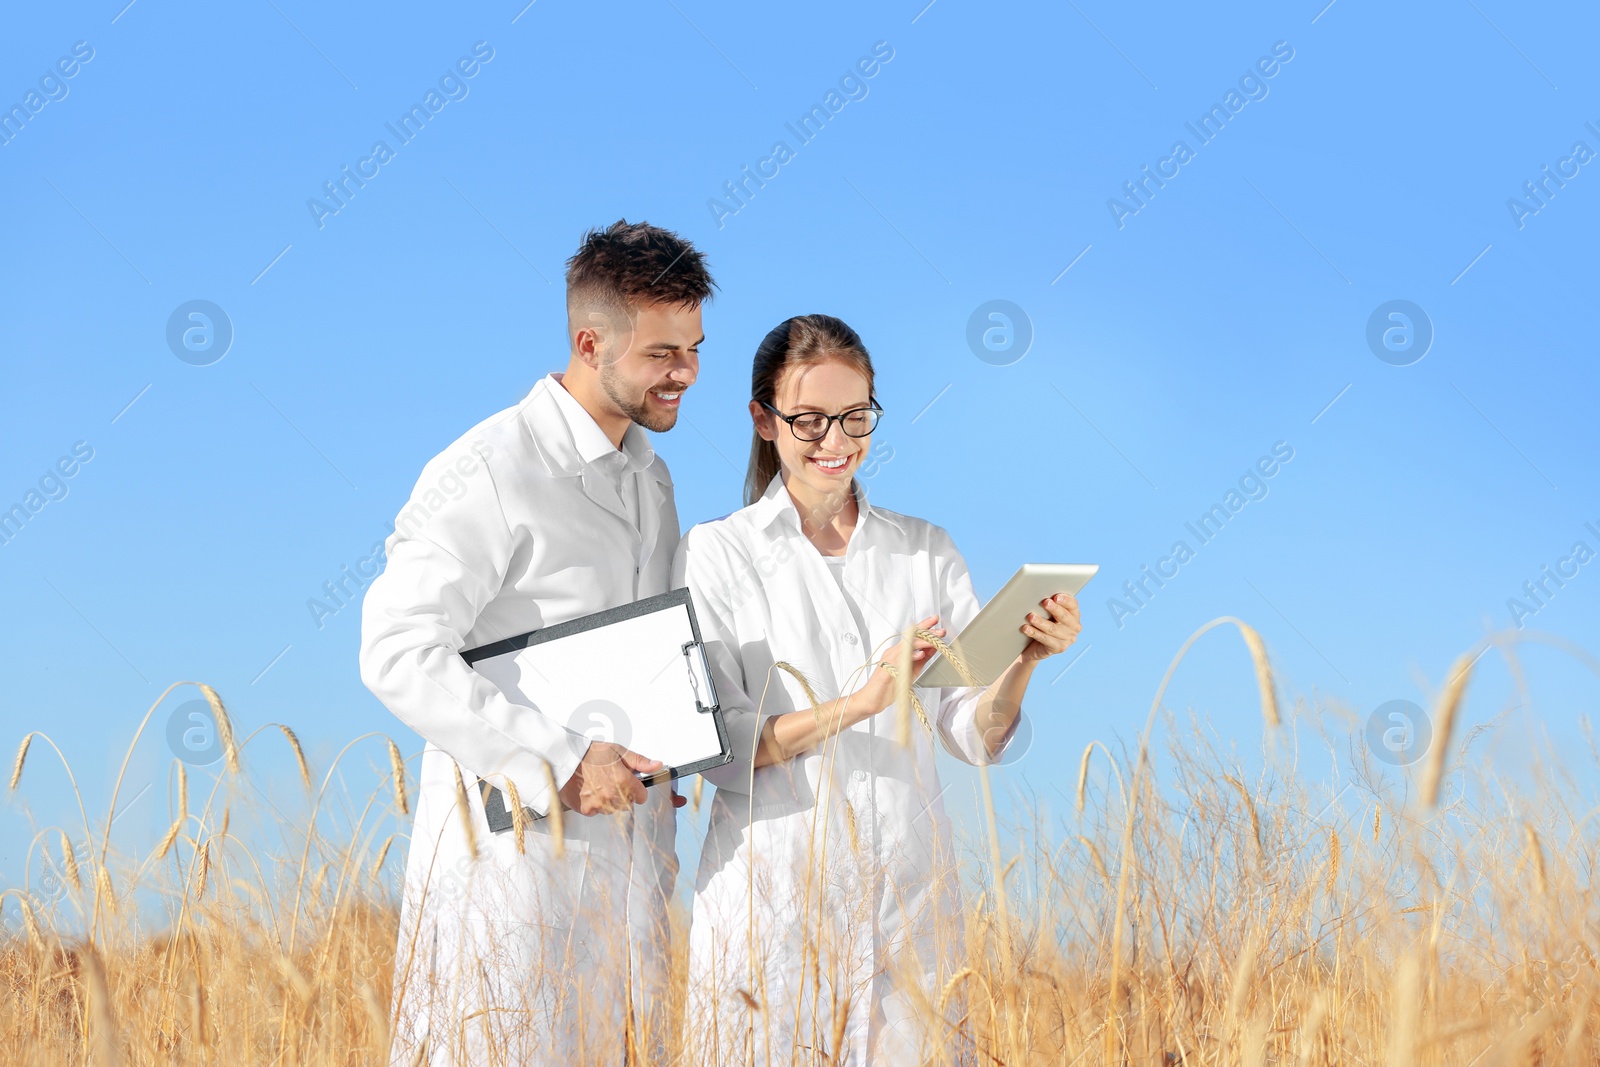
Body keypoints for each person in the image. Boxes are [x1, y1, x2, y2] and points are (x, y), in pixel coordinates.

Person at [673, 314, 1082, 1065]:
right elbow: (717, 748)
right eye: (810, 420)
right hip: (772, 907)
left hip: (909, 902)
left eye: (856, 417)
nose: (836, 441)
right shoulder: (717, 553)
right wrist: (859, 704)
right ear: (764, 419)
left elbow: (972, 732)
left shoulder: (923, 550)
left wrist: (1023, 661)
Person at [359, 220, 714, 1065]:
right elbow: (396, 649)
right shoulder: (487, 469)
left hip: (627, 884)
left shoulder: (651, 480)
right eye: (664, 353)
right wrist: (559, 760)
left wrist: (661, 752)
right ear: (591, 343)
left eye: (695, 347)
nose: (687, 373)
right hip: (506, 884)